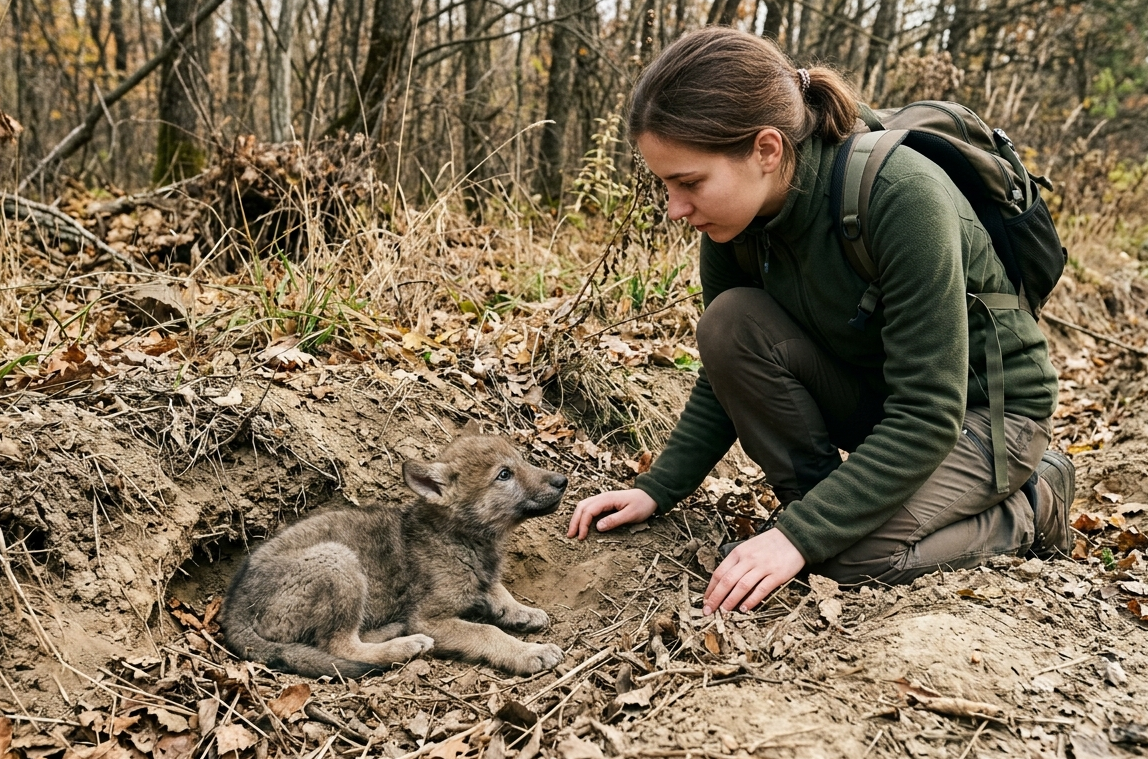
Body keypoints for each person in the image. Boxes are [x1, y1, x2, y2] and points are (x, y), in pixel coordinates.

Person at [566, 27, 1074, 617]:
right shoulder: (737, 222)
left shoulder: (901, 195)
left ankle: (1035, 500)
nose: (675, 209)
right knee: (729, 322)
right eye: (664, 185)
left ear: (766, 149)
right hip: (885, 401)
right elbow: (727, 364)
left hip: (986, 416)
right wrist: (660, 486)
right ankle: (812, 509)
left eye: (689, 183)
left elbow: (928, 413)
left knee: (843, 559)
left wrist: (799, 540)